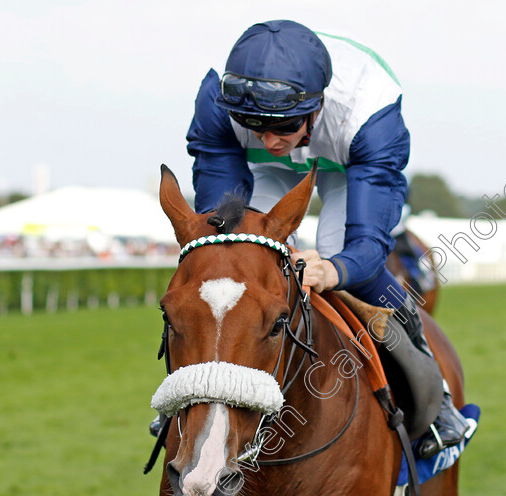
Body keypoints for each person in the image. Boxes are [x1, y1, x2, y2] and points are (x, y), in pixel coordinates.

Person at [181, 20, 467, 459]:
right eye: (254, 124)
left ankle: (436, 394)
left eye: (283, 126)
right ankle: (193, 400)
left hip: (347, 163)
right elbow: (220, 222)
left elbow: (369, 246)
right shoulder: (218, 105)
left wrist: (335, 268)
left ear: (315, 108)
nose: (270, 139)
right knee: (234, 263)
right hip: (257, 170)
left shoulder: (369, 112)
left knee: (347, 270)